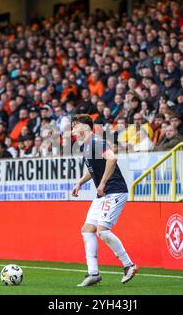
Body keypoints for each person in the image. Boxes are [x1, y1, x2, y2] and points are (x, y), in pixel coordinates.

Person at [71, 115, 137, 287]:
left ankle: (129, 265)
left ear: (85, 127)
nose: (72, 129)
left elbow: (112, 159)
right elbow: (92, 170)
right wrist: (80, 182)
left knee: (102, 231)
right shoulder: (86, 146)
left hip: (114, 191)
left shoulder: (96, 142)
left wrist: (102, 183)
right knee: (87, 230)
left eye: (75, 125)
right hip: (103, 194)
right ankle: (93, 273)